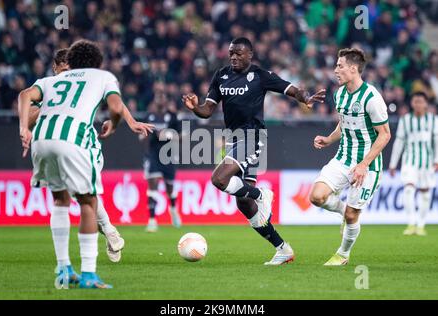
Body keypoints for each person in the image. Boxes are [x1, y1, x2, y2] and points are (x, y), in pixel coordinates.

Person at [18, 40, 154, 289]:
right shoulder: (100, 77)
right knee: (88, 202)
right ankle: (90, 273)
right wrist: (119, 124)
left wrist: (23, 129)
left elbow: (24, 95)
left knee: (60, 200)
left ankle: (63, 267)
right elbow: (115, 105)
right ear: (97, 63)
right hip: (74, 141)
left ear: (70, 62)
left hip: (42, 139)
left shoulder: (50, 82)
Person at [182, 37, 325, 265]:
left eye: (238, 53)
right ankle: (283, 249)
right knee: (244, 204)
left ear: (250, 54)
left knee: (219, 179)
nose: (234, 57)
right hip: (232, 140)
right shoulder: (221, 76)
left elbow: (289, 88)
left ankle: (261, 194)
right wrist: (195, 108)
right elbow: (207, 110)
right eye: (231, 53)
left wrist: (305, 97)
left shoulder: (260, 76)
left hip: (253, 137)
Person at [28, 48, 127, 265]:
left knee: (82, 194)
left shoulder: (82, 84)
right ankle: (109, 234)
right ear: (55, 68)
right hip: (58, 143)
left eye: (70, 68)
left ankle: (107, 233)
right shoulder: (46, 87)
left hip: (86, 143)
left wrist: (128, 121)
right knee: (79, 195)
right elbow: (28, 117)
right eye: (62, 68)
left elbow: (115, 101)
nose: (66, 73)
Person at [309, 48, 391, 266]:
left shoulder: (372, 97)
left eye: (340, 65)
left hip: (367, 165)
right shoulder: (340, 94)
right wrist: (328, 139)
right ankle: (343, 211)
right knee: (316, 196)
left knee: (353, 216)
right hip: (343, 157)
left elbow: (385, 135)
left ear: (353, 69)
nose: (335, 70)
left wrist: (364, 164)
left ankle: (343, 255)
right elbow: (344, 123)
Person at [389, 92, 438, 236]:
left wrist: (436, 160)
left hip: (427, 162)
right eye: (415, 101)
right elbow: (399, 142)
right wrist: (393, 164)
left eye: (421, 101)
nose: (418, 104)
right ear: (412, 103)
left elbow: (436, 142)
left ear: (426, 104)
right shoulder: (405, 120)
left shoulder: (433, 120)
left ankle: (421, 225)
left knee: (425, 194)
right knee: (409, 189)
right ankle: (411, 223)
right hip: (409, 160)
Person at [141, 93, 182, 232]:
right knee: (152, 187)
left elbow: (181, 135)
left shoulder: (173, 116)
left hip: (168, 156)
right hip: (153, 156)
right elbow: (141, 135)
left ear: (166, 101)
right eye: (158, 97)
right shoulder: (149, 117)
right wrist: (144, 135)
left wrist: (169, 134)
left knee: (169, 188)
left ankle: (173, 210)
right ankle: (152, 220)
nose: (160, 99)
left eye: (162, 97)